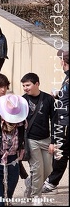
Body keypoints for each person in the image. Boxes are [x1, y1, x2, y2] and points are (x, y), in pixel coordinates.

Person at [20, 72, 56, 201]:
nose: (25, 88)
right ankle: (36, 197)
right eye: (23, 85)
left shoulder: (48, 99)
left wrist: (53, 141)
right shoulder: (22, 100)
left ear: (37, 84)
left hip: (46, 140)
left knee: (48, 170)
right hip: (31, 140)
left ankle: (30, 183)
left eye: (28, 85)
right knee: (37, 169)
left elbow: (55, 120)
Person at [42, 50, 69, 194]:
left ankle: (52, 182)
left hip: (65, 123)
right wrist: (59, 95)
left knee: (60, 153)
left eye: (61, 59)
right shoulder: (67, 78)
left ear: (64, 62)